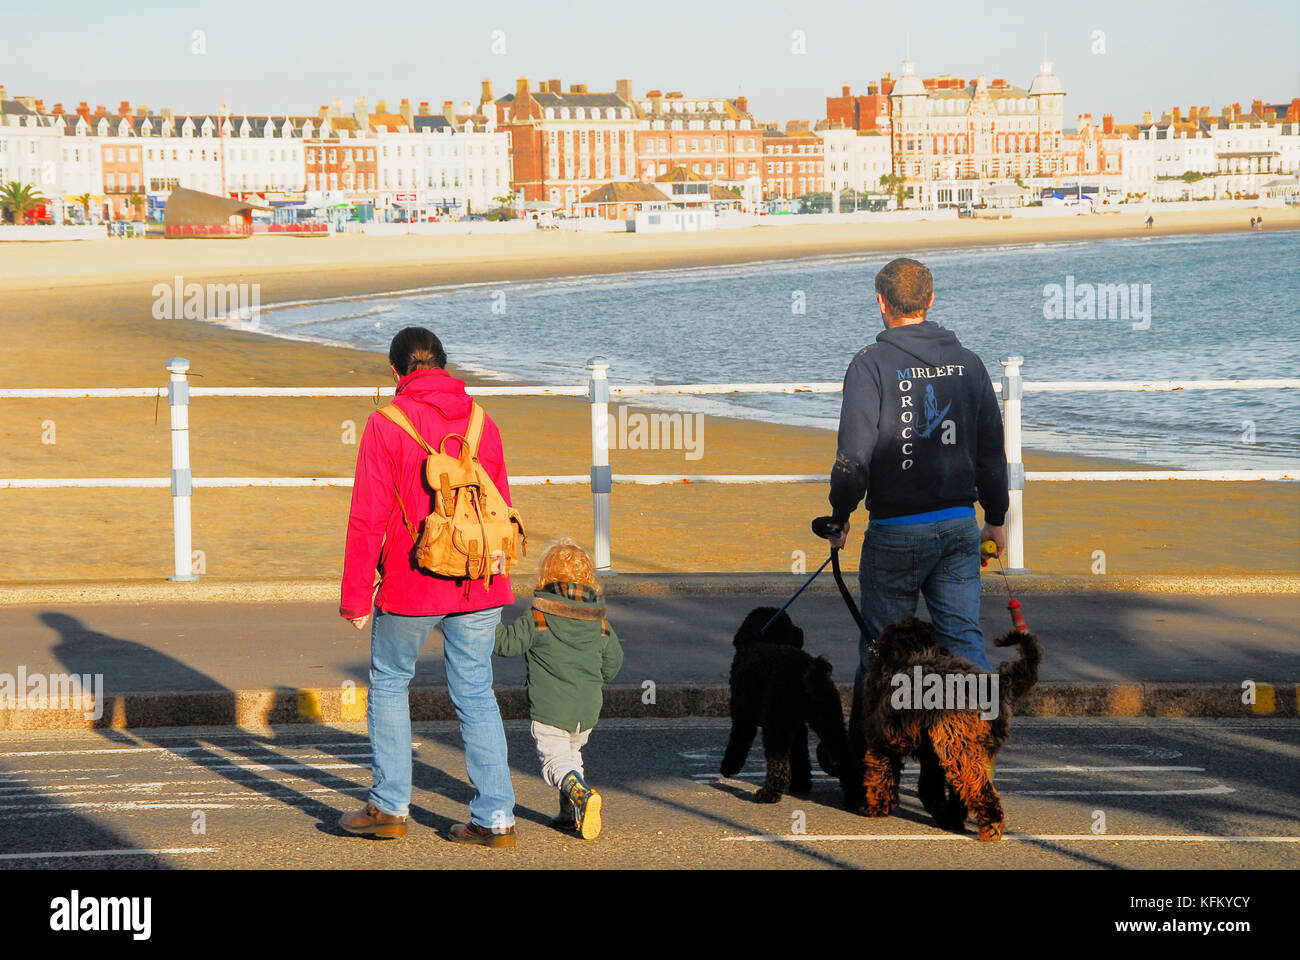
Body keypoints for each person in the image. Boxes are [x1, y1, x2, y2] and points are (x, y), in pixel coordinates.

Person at [338, 326, 518, 847]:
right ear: (444, 364)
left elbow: (367, 517)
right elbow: (499, 508)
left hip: (411, 581)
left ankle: (390, 807)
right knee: (476, 692)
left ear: (396, 373)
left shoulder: (385, 423)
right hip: (480, 581)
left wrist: (355, 597)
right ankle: (496, 816)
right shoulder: (484, 422)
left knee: (392, 683)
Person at [826, 257, 1009, 685]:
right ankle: (974, 744)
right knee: (964, 643)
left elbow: (853, 458)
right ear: (929, 299)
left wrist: (840, 516)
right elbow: (991, 454)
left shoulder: (869, 364)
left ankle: (877, 748)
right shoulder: (969, 363)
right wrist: (995, 519)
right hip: (960, 524)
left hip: (895, 531)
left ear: (881, 303)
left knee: (886, 651)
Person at [494, 539, 623, 840]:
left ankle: (581, 794)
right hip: (587, 708)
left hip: (551, 708)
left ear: (545, 577)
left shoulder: (539, 616)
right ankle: (569, 814)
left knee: (555, 762)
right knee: (572, 753)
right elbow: (614, 661)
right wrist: (593, 680)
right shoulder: (599, 621)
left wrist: (489, 619)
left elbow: (506, 644)